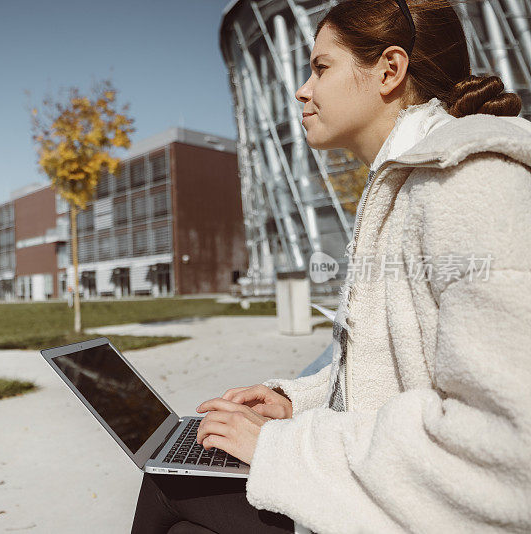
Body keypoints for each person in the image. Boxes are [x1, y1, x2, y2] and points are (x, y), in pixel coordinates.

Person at [131, 0, 531, 532]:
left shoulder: (472, 185)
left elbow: (509, 450)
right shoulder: (404, 187)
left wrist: (283, 447)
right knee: (177, 483)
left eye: (321, 68)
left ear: (389, 70)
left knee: (169, 486)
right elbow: (390, 377)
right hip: (393, 490)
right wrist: (293, 401)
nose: (302, 89)